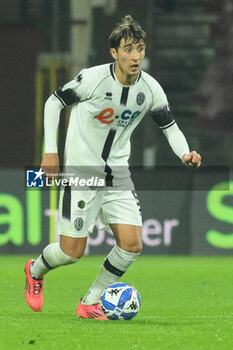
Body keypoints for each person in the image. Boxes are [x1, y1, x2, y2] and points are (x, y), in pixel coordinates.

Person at [24, 15, 201, 319]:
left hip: (118, 175)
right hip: (81, 174)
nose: (135, 56)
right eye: (128, 49)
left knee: (132, 245)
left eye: (140, 49)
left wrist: (184, 153)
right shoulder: (92, 79)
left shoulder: (151, 89)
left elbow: (169, 127)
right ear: (114, 53)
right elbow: (54, 102)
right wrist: (49, 152)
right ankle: (35, 269)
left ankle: (89, 302)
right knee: (71, 253)